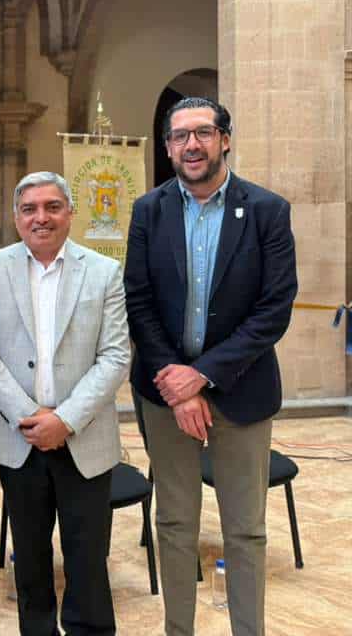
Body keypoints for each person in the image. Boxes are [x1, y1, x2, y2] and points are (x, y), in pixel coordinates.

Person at [124, 97, 297, 636]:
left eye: (202, 133)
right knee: (174, 524)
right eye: (179, 136)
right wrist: (178, 385)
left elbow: (274, 307)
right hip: (164, 393)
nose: (190, 145)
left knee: (245, 530)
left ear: (225, 139)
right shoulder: (148, 211)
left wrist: (203, 376)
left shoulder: (267, 210)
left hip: (242, 392)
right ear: (168, 147)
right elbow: (139, 301)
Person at [0, 170, 130, 636]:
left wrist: (66, 420)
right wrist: (30, 416)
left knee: (88, 561)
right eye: (29, 209)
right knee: (31, 561)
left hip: (85, 439)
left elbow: (117, 354)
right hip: (20, 442)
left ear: (70, 213)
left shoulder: (103, 272)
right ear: (16, 218)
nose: (41, 217)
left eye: (52, 206)